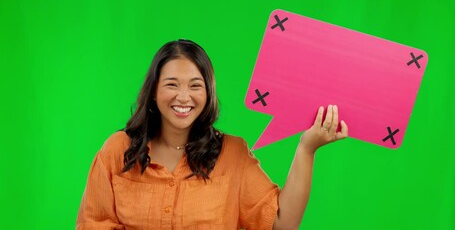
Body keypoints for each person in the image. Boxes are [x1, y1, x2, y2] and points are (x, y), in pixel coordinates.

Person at [76, 39, 348, 230]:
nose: (184, 97)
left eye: (196, 85)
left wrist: (306, 149)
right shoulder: (117, 150)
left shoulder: (233, 154)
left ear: (208, 93)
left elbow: (281, 223)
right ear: (154, 90)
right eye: (172, 84)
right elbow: (92, 224)